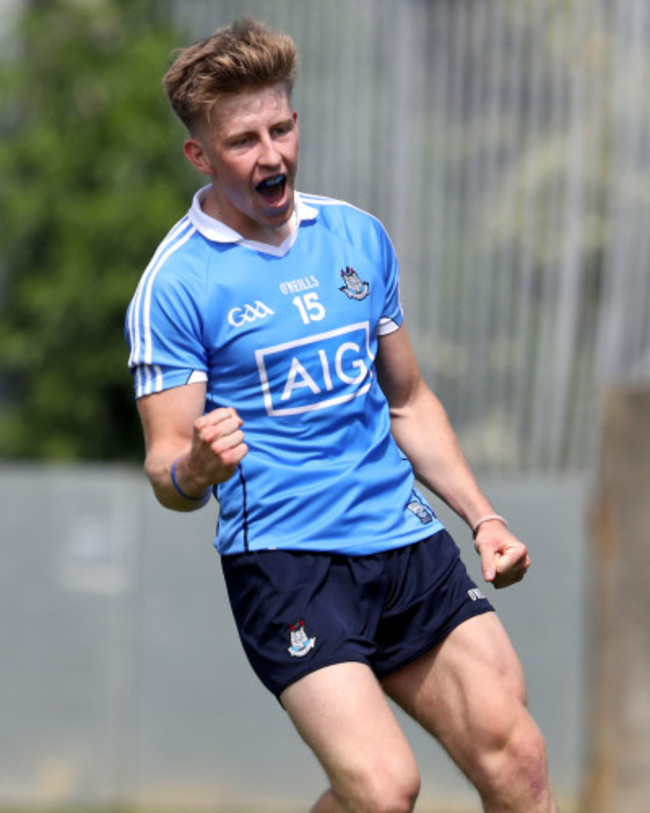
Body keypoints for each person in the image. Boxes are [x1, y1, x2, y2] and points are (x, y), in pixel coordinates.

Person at [125, 16, 557, 813]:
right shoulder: (177, 285)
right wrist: (199, 469)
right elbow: (165, 469)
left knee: (520, 763)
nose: (273, 155)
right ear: (201, 153)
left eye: (282, 128)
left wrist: (482, 517)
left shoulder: (357, 237)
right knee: (386, 791)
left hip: (406, 540)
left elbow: (410, 400)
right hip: (290, 563)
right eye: (245, 140)